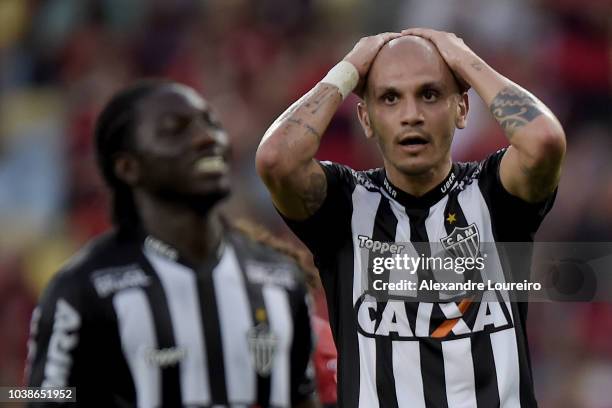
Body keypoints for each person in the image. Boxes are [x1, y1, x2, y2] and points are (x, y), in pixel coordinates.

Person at [256, 29, 566, 407]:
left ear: (462, 109)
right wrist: (350, 67)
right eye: (389, 98)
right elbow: (276, 159)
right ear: (366, 119)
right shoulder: (345, 206)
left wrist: (462, 56)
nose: (411, 115)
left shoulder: (492, 196)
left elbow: (544, 141)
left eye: (430, 95)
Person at [25, 80, 316, 408]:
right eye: (175, 130)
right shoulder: (83, 290)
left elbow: (302, 397)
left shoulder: (280, 279)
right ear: (127, 167)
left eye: (211, 124)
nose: (208, 138)